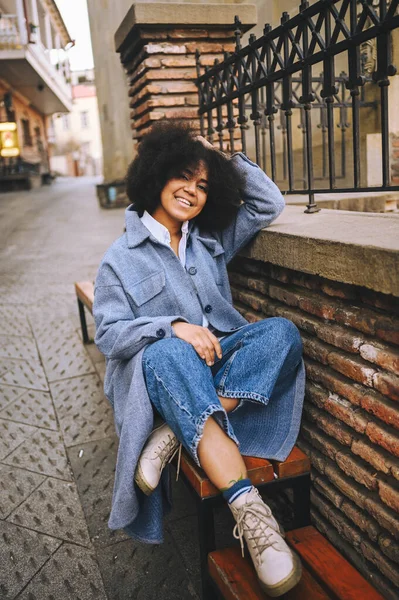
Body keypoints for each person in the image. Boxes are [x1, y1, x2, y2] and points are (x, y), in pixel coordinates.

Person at [93, 121, 305, 597]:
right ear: (156, 173)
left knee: (282, 333)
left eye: (203, 185)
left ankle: (177, 429)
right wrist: (174, 328)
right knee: (167, 350)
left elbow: (269, 203)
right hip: (166, 370)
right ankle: (251, 515)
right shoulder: (119, 259)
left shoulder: (210, 242)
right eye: (182, 176)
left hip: (220, 368)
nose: (191, 190)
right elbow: (108, 333)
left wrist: (217, 155)